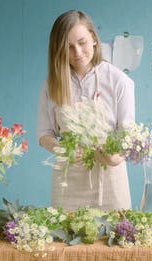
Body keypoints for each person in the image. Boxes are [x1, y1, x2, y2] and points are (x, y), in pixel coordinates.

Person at [37, 10, 135, 211]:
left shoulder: (119, 81)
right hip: (67, 184)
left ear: (94, 38)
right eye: (68, 47)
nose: (77, 53)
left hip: (109, 182)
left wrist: (115, 157)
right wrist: (63, 150)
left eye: (82, 43)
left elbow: (128, 136)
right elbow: (44, 134)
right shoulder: (51, 85)